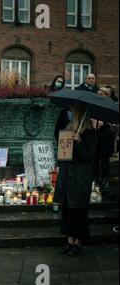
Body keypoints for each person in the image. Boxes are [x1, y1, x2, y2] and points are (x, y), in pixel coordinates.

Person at [54, 102, 97, 257]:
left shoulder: (89, 133)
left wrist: (79, 142)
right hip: (67, 173)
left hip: (80, 175)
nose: (70, 112)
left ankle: (78, 242)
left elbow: (88, 155)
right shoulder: (68, 127)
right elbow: (63, 150)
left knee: (78, 209)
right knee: (66, 209)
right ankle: (69, 240)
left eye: (73, 110)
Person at [92, 87, 116, 188]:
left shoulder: (110, 105)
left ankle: (105, 178)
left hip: (106, 133)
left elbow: (114, 119)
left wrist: (105, 122)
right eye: (98, 94)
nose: (99, 96)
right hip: (96, 133)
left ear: (106, 95)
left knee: (104, 158)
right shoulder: (95, 105)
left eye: (101, 94)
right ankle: (96, 178)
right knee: (95, 157)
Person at [50, 75, 70, 142]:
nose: (59, 83)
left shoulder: (63, 92)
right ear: (55, 81)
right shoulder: (49, 90)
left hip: (60, 116)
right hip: (50, 115)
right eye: (58, 81)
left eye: (61, 82)